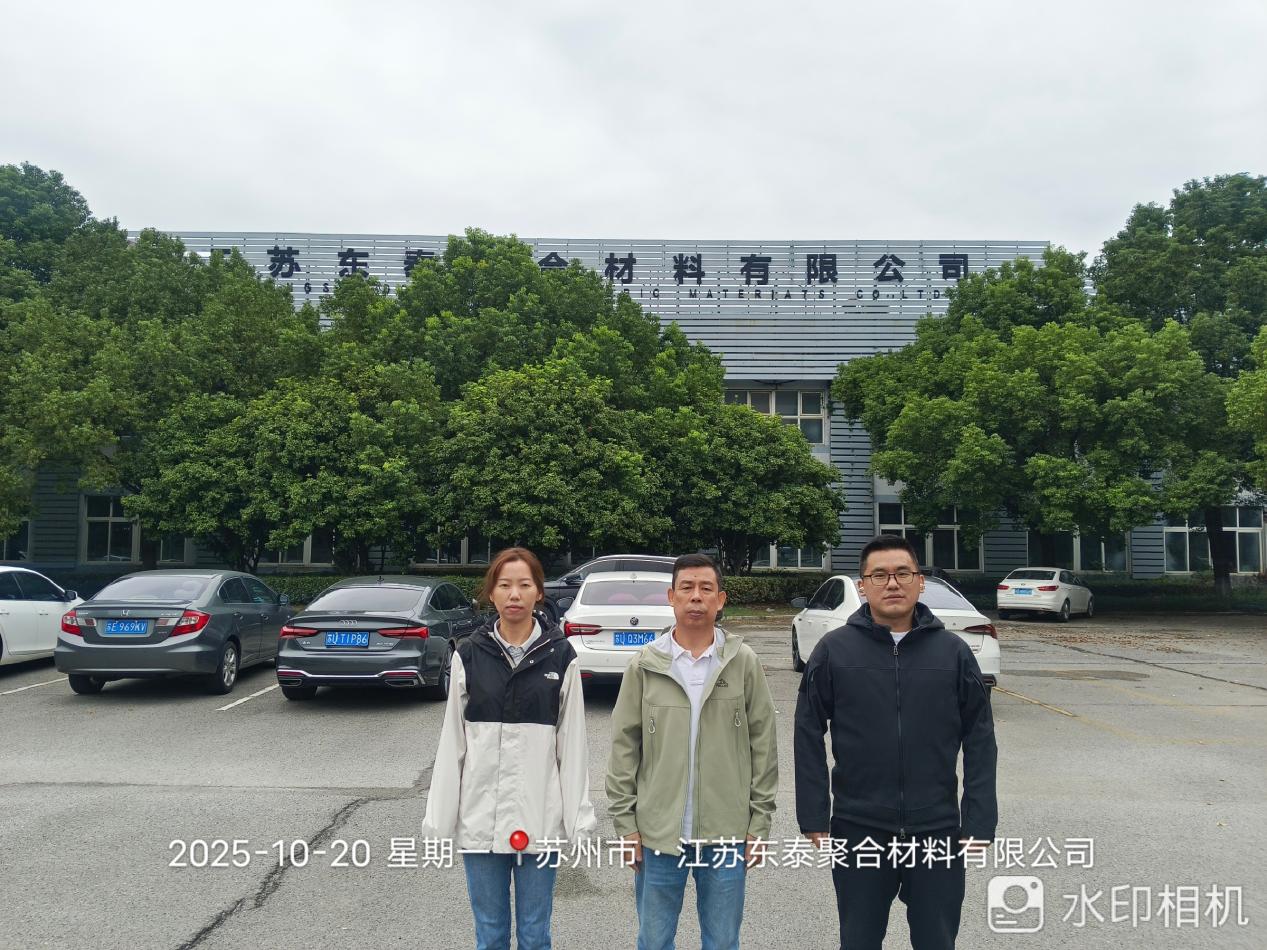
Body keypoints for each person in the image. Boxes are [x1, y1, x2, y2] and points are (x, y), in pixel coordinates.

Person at [794, 535, 997, 950]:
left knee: (937, 939)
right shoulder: (835, 650)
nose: (892, 583)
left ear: (920, 582)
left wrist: (979, 819)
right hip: (859, 828)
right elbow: (807, 730)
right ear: (863, 585)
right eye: (879, 575)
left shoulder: (953, 652)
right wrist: (814, 815)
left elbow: (980, 736)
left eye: (903, 573)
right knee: (859, 939)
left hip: (936, 828)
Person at [422, 547, 595, 950]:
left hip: (539, 818)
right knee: (490, 934)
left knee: (535, 935)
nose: (514, 594)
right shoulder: (469, 654)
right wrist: (440, 819)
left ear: (539, 593)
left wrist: (578, 820)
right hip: (480, 820)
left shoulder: (560, 656)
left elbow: (572, 748)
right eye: (504, 585)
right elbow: (452, 743)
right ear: (491, 593)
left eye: (524, 584)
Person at [606, 553, 779, 950]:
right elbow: (623, 747)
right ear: (671, 597)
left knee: (722, 941)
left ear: (721, 599)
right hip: (657, 832)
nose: (696, 597)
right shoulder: (646, 665)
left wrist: (759, 823)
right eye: (686, 588)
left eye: (706, 588)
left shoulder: (742, 662)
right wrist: (626, 825)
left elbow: (763, 745)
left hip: (726, 832)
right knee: (654, 940)